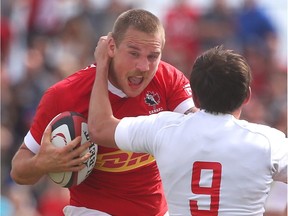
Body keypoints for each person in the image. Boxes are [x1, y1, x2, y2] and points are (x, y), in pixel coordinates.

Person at [10, 9, 196, 216]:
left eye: (153, 56)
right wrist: (41, 163)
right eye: (133, 53)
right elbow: (18, 170)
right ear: (112, 47)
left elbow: (198, 125)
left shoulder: (168, 79)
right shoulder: (64, 95)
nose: (143, 66)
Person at [87, 43, 288, 215]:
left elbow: (100, 128)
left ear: (195, 95)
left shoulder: (163, 128)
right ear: (247, 96)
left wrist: (103, 64)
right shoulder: (268, 142)